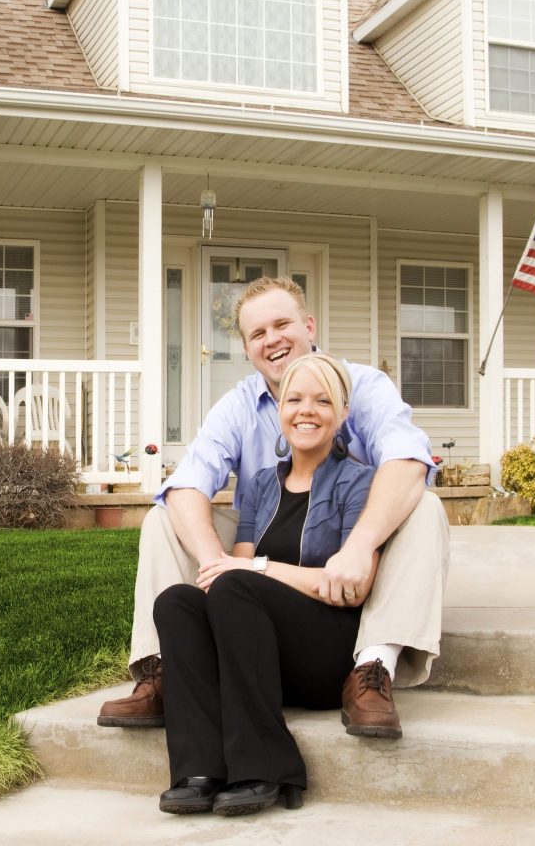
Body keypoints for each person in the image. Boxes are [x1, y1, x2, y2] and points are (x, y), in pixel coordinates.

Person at [97, 276, 448, 740]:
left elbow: (408, 459)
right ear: (246, 348)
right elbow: (187, 483)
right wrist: (215, 567)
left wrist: (360, 546)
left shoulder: (362, 385)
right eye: (258, 334)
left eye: (282, 324)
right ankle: (165, 672)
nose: (273, 340)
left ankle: (371, 670)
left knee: (424, 507)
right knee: (165, 517)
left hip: (350, 560)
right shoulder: (238, 406)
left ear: (309, 324)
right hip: (261, 561)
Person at [155, 353, 371, 815]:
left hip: (325, 652)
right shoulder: (258, 484)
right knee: (176, 602)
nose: (306, 410)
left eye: (322, 400)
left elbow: (351, 588)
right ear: (280, 411)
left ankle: (268, 766)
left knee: (237, 584)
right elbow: (239, 572)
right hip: (260, 655)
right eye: (294, 399)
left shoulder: (359, 483)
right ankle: (200, 769)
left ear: (343, 414)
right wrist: (244, 572)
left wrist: (256, 571)